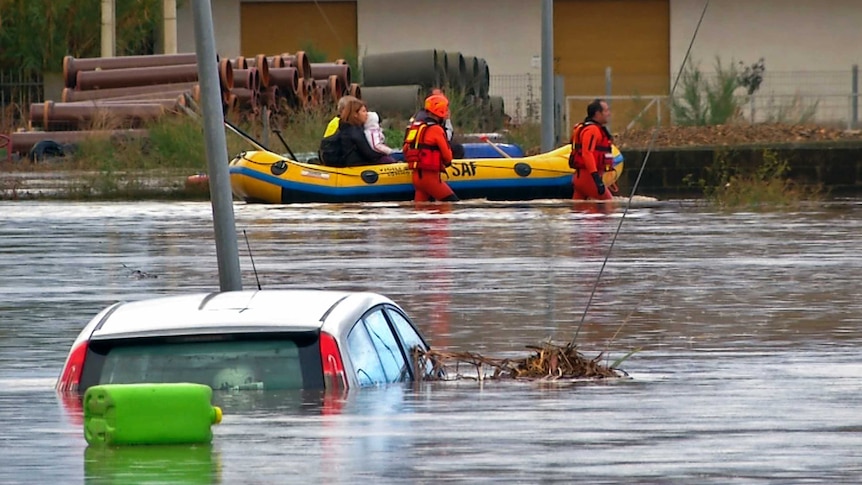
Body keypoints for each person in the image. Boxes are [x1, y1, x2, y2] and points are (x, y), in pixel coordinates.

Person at [402, 93, 458, 202]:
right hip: (431, 179)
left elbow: (405, 149)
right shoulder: (436, 129)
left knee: (421, 213)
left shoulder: (415, 127)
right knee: (452, 205)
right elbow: (448, 157)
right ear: (440, 110)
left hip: (417, 178)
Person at [568, 98, 614, 201]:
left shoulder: (589, 128)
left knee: (578, 213)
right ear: (598, 113)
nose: (609, 114)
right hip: (588, 178)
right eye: (606, 111)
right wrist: (597, 179)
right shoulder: (592, 130)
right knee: (609, 205)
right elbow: (586, 153)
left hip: (581, 178)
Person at [324, 97, 388, 167]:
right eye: (364, 111)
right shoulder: (355, 132)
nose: (367, 114)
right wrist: (388, 153)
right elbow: (370, 154)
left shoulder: (346, 127)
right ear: (355, 114)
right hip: (357, 165)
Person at [408, 88, 464, 159]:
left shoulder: (416, 123)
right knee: (458, 149)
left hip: (415, 162)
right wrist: (447, 120)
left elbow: (406, 147)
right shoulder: (436, 129)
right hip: (429, 166)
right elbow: (447, 155)